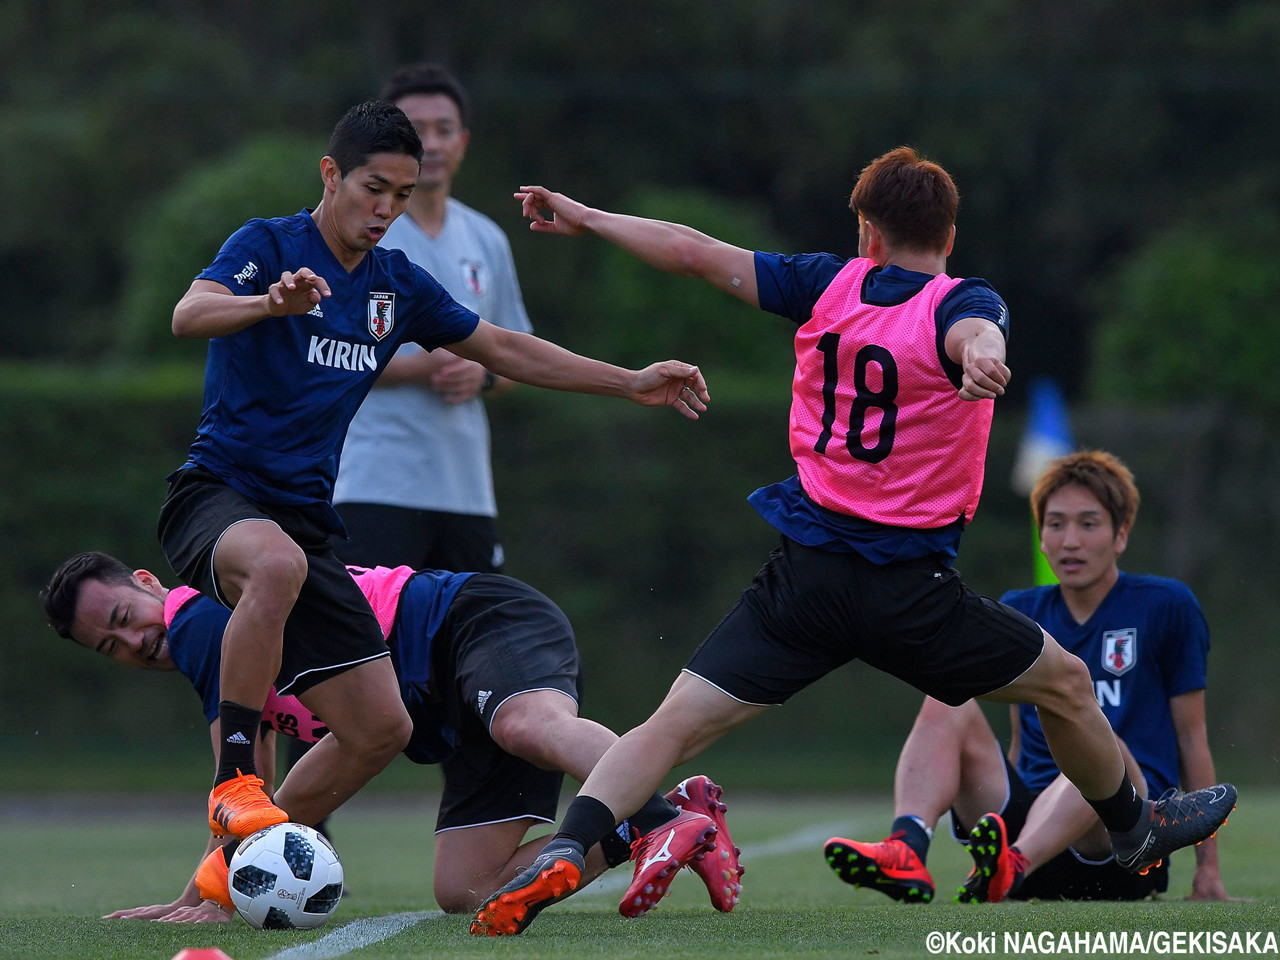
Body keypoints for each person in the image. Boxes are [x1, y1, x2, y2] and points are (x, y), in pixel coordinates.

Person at [469, 149, 1237, 936]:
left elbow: (693, 251)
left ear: (866, 229)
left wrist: (590, 216)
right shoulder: (961, 302)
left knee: (670, 725)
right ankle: (1135, 829)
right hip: (909, 591)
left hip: (802, 583)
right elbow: (976, 333)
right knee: (1068, 685)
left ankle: (565, 845)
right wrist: (982, 358)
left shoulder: (823, 283)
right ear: (949, 230)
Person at [159, 99, 709, 851]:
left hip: (306, 525)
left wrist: (630, 381)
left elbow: (505, 348)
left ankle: (227, 876)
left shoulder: (396, 285)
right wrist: (265, 303)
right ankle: (234, 783)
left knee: (382, 726)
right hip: (215, 498)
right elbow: (189, 314)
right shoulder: (268, 245)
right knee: (276, 565)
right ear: (330, 174)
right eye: (371, 188)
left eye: (401, 194)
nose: (385, 209)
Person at [39, 551, 743, 922]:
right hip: (445, 713)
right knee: (466, 889)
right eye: (114, 647)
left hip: (468, 622)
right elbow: (273, 795)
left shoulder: (196, 620)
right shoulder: (218, 653)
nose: (138, 640)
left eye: (128, 615)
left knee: (524, 722)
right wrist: (205, 889)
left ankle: (661, 818)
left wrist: (212, 895)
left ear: (147, 581)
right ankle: (670, 817)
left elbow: (240, 793)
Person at [824, 450, 1229, 904]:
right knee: (946, 700)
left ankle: (1011, 865)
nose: (1070, 540)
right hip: (1033, 830)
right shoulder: (1022, 610)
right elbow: (1020, 741)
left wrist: (1207, 871)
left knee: (1100, 744)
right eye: (1055, 524)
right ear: (1041, 538)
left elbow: (1193, 740)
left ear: (1121, 535)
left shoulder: (1168, 606)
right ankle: (908, 846)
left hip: (1123, 846)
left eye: (1088, 524)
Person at [333, 63, 530, 574]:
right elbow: (325, 348)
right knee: (377, 643)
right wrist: (428, 364)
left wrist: (483, 372)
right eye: (418, 132)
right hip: (373, 483)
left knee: (468, 644)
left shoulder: (487, 237)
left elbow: (514, 354)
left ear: (463, 141)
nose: (434, 144)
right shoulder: (359, 233)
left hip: (466, 491)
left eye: (444, 130)